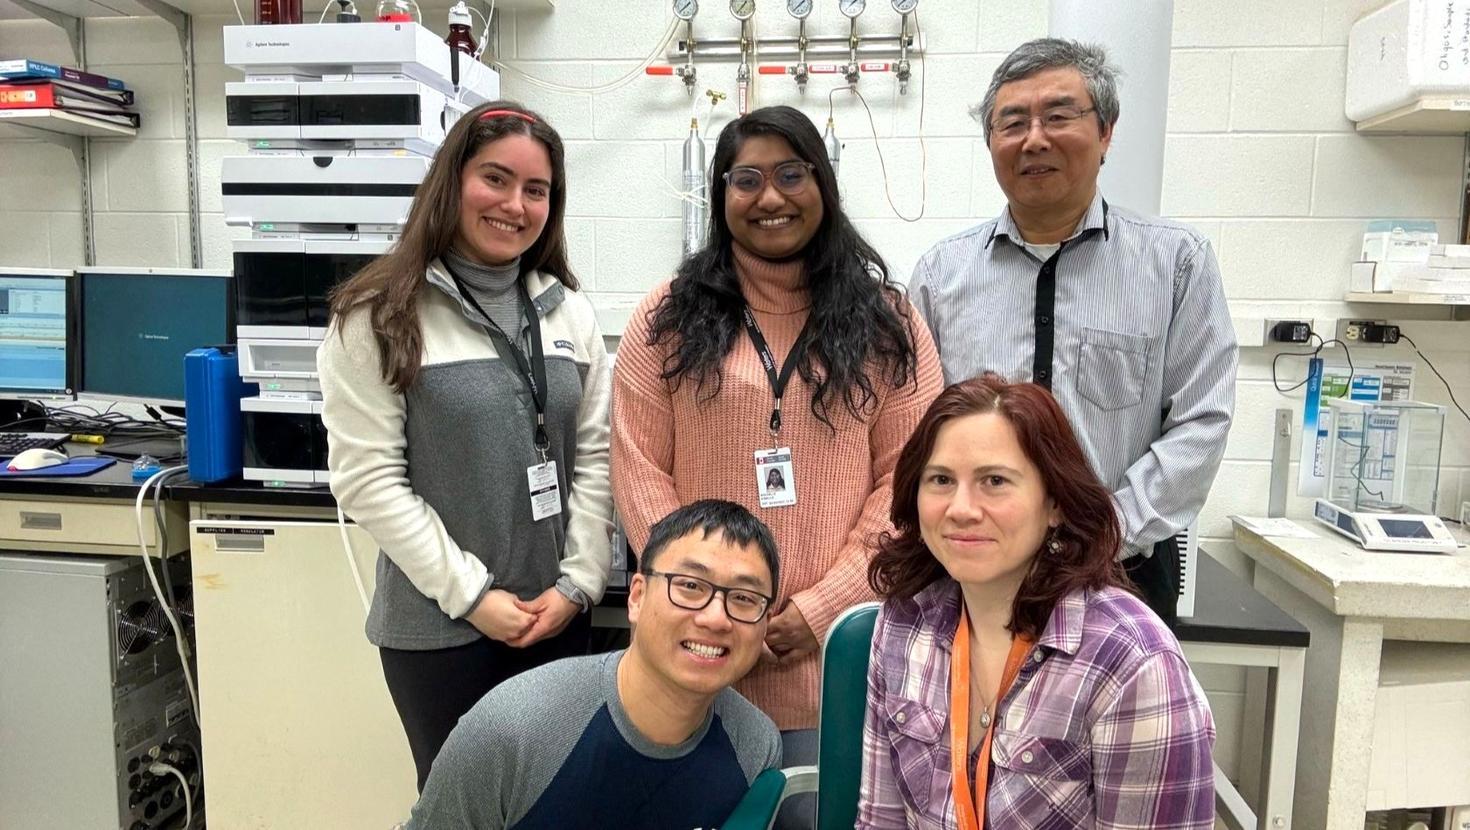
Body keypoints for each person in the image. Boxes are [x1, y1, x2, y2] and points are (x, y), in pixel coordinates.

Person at [611, 105, 944, 793]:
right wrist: (711, 600)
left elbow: (910, 483)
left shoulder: (890, 324)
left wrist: (821, 611)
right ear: (721, 194)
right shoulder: (665, 318)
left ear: (823, 183)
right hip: (694, 659)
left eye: (791, 174)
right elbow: (639, 472)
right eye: (747, 179)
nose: (770, 197)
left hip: (838, 665)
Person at [318, 101, 613, 791]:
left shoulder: (568, 312)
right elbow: (369, 482)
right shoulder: (378, 315)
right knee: (463, 807)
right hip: (442, 631)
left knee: (558, 802)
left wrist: (579, 583)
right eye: (495, 179)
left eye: (536, 189)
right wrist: (475, 596)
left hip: (556, 618)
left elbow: (596, 457)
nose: (515, 205)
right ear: (451, 181)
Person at [908, 38, 1237, 624]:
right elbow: (916, 426)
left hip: (1121, 570)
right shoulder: (940, 275)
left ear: (1106, 132)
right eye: (1013, 123)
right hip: (973, 572)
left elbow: (1201, 421)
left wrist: (1104, 533)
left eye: (1058, 116)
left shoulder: (1176, 263)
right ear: (991, 142)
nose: (1034, 139)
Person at [856, 375, 1216, 829]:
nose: (961, 509)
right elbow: (880, 821)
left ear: (1055, 503)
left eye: (994, 481)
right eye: (941, 480)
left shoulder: (1132, 664)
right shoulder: (905, 621)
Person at [405, 500, 783, 830]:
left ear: (765, 622)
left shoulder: (754, 746)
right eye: (690, 586)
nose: (716, 618)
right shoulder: (512, 731)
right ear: (637, 597)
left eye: (744, 598)